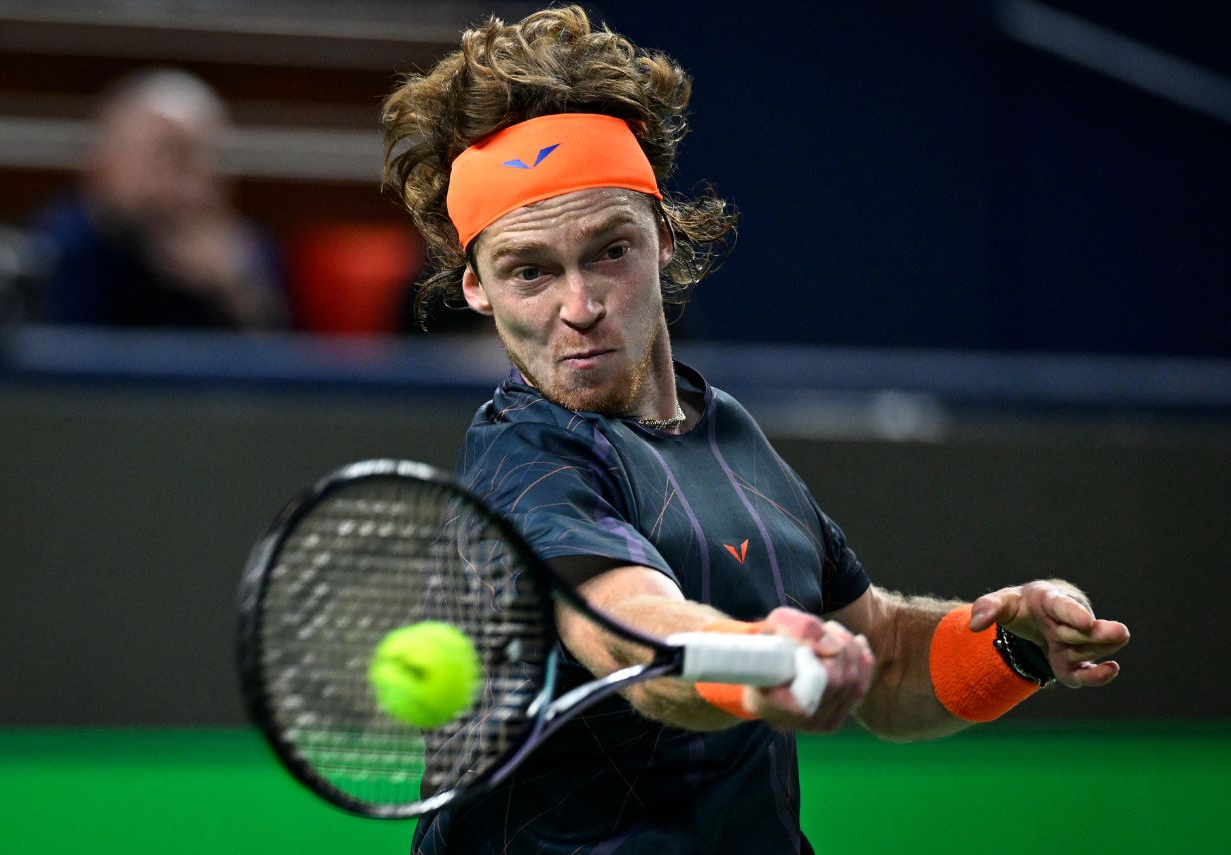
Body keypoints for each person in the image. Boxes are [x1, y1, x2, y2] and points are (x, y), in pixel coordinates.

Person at [380, 7, 1130, 853]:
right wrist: (753, 657)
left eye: (609, 251)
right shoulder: (522, 456)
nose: (579, 307)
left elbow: (879, 659)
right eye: (529, 272)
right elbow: (633, 632)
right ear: (476, 288)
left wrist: (1011, 644)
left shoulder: (726, 430)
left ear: (662, 238)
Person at [31, 69, 286, 329]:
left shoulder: (245, 254)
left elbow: (281, 356)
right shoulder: (56, 247)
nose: (183, 183)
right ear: (106, 160)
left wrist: (237, 293)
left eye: (201, 159)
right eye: (163, 156)